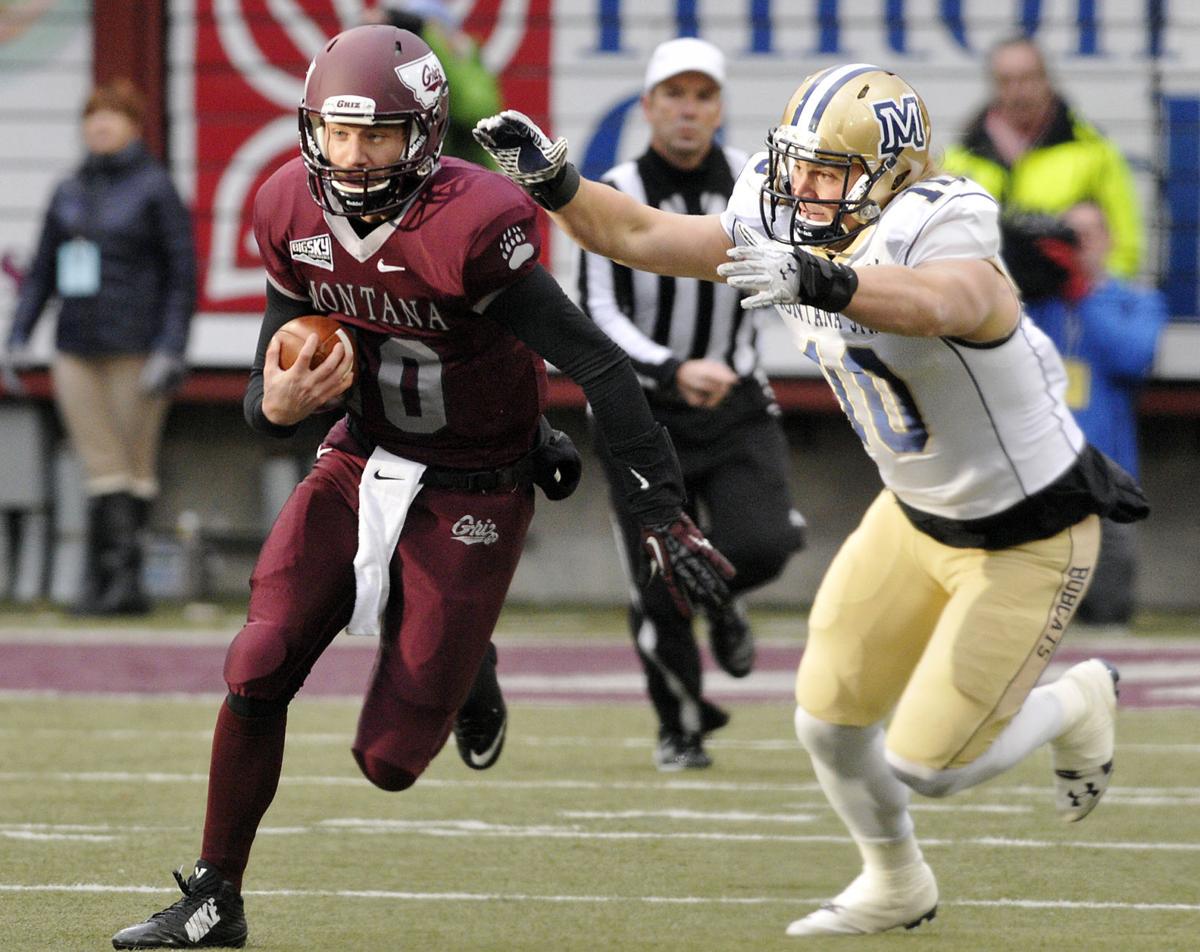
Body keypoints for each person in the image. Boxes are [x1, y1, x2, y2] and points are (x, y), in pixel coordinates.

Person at [474, 61, 1149, 936]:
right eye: (797, 165)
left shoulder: (942, 217)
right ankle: (896, 880)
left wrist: (827, 281)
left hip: (1030, 527)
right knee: (827, 723)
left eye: (829, 173)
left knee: (931, 764)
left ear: (893, 172)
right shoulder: (785, 206)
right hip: (913, 513)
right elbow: (640, 234)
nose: (802, 188)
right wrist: (556, 185)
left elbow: (958, 300)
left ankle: (1081, 698)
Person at [110, 25, 732, 949]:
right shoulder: (288, 203)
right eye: (338, 132)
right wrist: (274, 405)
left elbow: (599, 365)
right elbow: (263, 392)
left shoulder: (475, 220)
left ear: (426, 133)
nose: (353, 158)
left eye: (378, 136)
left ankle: (468, 655)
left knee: (390, 763)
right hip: (364, 452)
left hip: (477, 482)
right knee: (257, 659)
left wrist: (657, 510)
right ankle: (214, 895)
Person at [579, 37, 805, 770]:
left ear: (719, 109)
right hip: (641, 413)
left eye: (703, 95)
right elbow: (596, 309)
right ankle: (680, 726)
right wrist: (672, 369)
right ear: (647, 107)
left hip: (736, 400)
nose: (688, 109)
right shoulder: (612, 186)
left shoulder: (754, 181)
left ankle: (723, 600)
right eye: (673, 94)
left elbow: (792, 273)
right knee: (657, 575)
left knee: (767, 543)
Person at [2, 78, 195, 615]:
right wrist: (19, 333)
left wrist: (171, 347)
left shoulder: (156, 189)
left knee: (133, 461)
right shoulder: (69, 190)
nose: (99, 126)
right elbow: (42, 270)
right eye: (92, 116)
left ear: (134, 126)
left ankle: (125, 583)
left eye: (110, 116)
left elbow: (182, 275)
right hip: (77, 345)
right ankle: (103, 581)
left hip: (136, 345)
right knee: (99, 462)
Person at [1025, 202, 1166, 628]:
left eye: (1089, 234)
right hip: (1039, 475)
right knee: (1033, 617)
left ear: (1108, 240)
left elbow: (1133, 357)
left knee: (1108, 614)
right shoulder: (1038, 302)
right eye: (1071, 235)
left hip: (1107, 474)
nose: (1080, 244)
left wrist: (1085, 295)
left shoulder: (1135, 301)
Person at [943, 35, 1143, 292]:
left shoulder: (1093, 152)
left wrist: (1104, 286)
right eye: (1006, 81)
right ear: (993, 86)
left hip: (1070, 300)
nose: (1017, 91)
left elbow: (1127, 246)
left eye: (1027, 78)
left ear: (1046, 80)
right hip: (987, 300)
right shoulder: (960, 158)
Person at [362, 0, 502, 169]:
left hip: (467, 179)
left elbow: (477, 112)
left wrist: (429, 38)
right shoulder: (401, 74)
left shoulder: (465, 60)